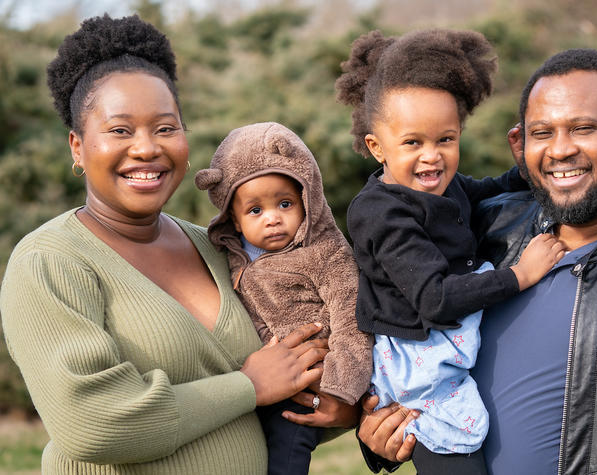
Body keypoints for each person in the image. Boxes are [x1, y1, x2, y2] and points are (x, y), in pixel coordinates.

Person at [0, 15, 355, 474]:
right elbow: (93, 423)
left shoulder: (217, 247)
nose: (147, 148)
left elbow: (279, 389)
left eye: (165, 128)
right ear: (77, 147)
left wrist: (346, 411)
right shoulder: (50, 261)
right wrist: (247, 384)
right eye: (120, 130)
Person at [357, 47, 597, 474]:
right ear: (520, 143)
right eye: (542, 133)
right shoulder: (489, 225)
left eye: (583, 128)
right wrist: (381, 433)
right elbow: (401, 321)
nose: (561, 150)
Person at [335, 29, 566, 474]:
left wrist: (522, 171)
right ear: (376, 147)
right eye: (412, 143)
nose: (432, 157)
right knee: (456, 453)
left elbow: (484, 192)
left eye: (445, 139)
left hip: (447, 342)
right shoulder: (380, 212)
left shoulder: (444, 185)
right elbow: (435, 300)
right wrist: (522, 274)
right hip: (419, 362)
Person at [194, 121, 373, 474]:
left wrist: (338, 386)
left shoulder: (324, 252)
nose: (272, 219)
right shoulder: (230, 255)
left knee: (286, 447)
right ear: (234, 215)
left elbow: (351, 316)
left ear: (308, 200)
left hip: (314, 376)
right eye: (255, 211)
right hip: (262, 378)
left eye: (285, 204)